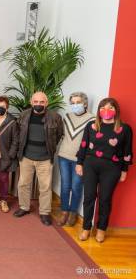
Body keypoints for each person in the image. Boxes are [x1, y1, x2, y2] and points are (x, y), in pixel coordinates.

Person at [76, 98, 132, 243]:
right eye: (103, 107)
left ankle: (101, 229)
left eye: (110, 107)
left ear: (116, 111)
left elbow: (127, 151)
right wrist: (79, 163)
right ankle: (86, 228)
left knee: (105, 199)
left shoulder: (124, 129)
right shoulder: (92, 126)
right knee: (89, 197)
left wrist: (124, 170)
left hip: (112, 168)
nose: (107, 110)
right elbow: (84, 145)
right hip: (90, 165)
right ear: (99, 110)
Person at [13, 92, 63, 226]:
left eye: (42, 102)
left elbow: (58, 135)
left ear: (46, 103)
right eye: (36, 102)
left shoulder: (55, 117)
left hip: (45, 158)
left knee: (45, 187)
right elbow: (18, 134)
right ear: (31, 102)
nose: (38, 104)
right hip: (26, 157)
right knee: (23, 184)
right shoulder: (24, 115)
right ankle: (24, 207)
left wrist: (48, 149)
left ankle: (45, 212)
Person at [56, 92, 94, 227]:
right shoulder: (66, 117)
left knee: (76, 186)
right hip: (63, 156)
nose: (75, 105)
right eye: (72, 103)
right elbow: (61, 135)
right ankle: (64, 211)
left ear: (84, 103)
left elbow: (91, 141)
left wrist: (83, 160)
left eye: (78, 102)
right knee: (65, 186)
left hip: (80, 160)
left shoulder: (92, 120)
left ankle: (73, 213)